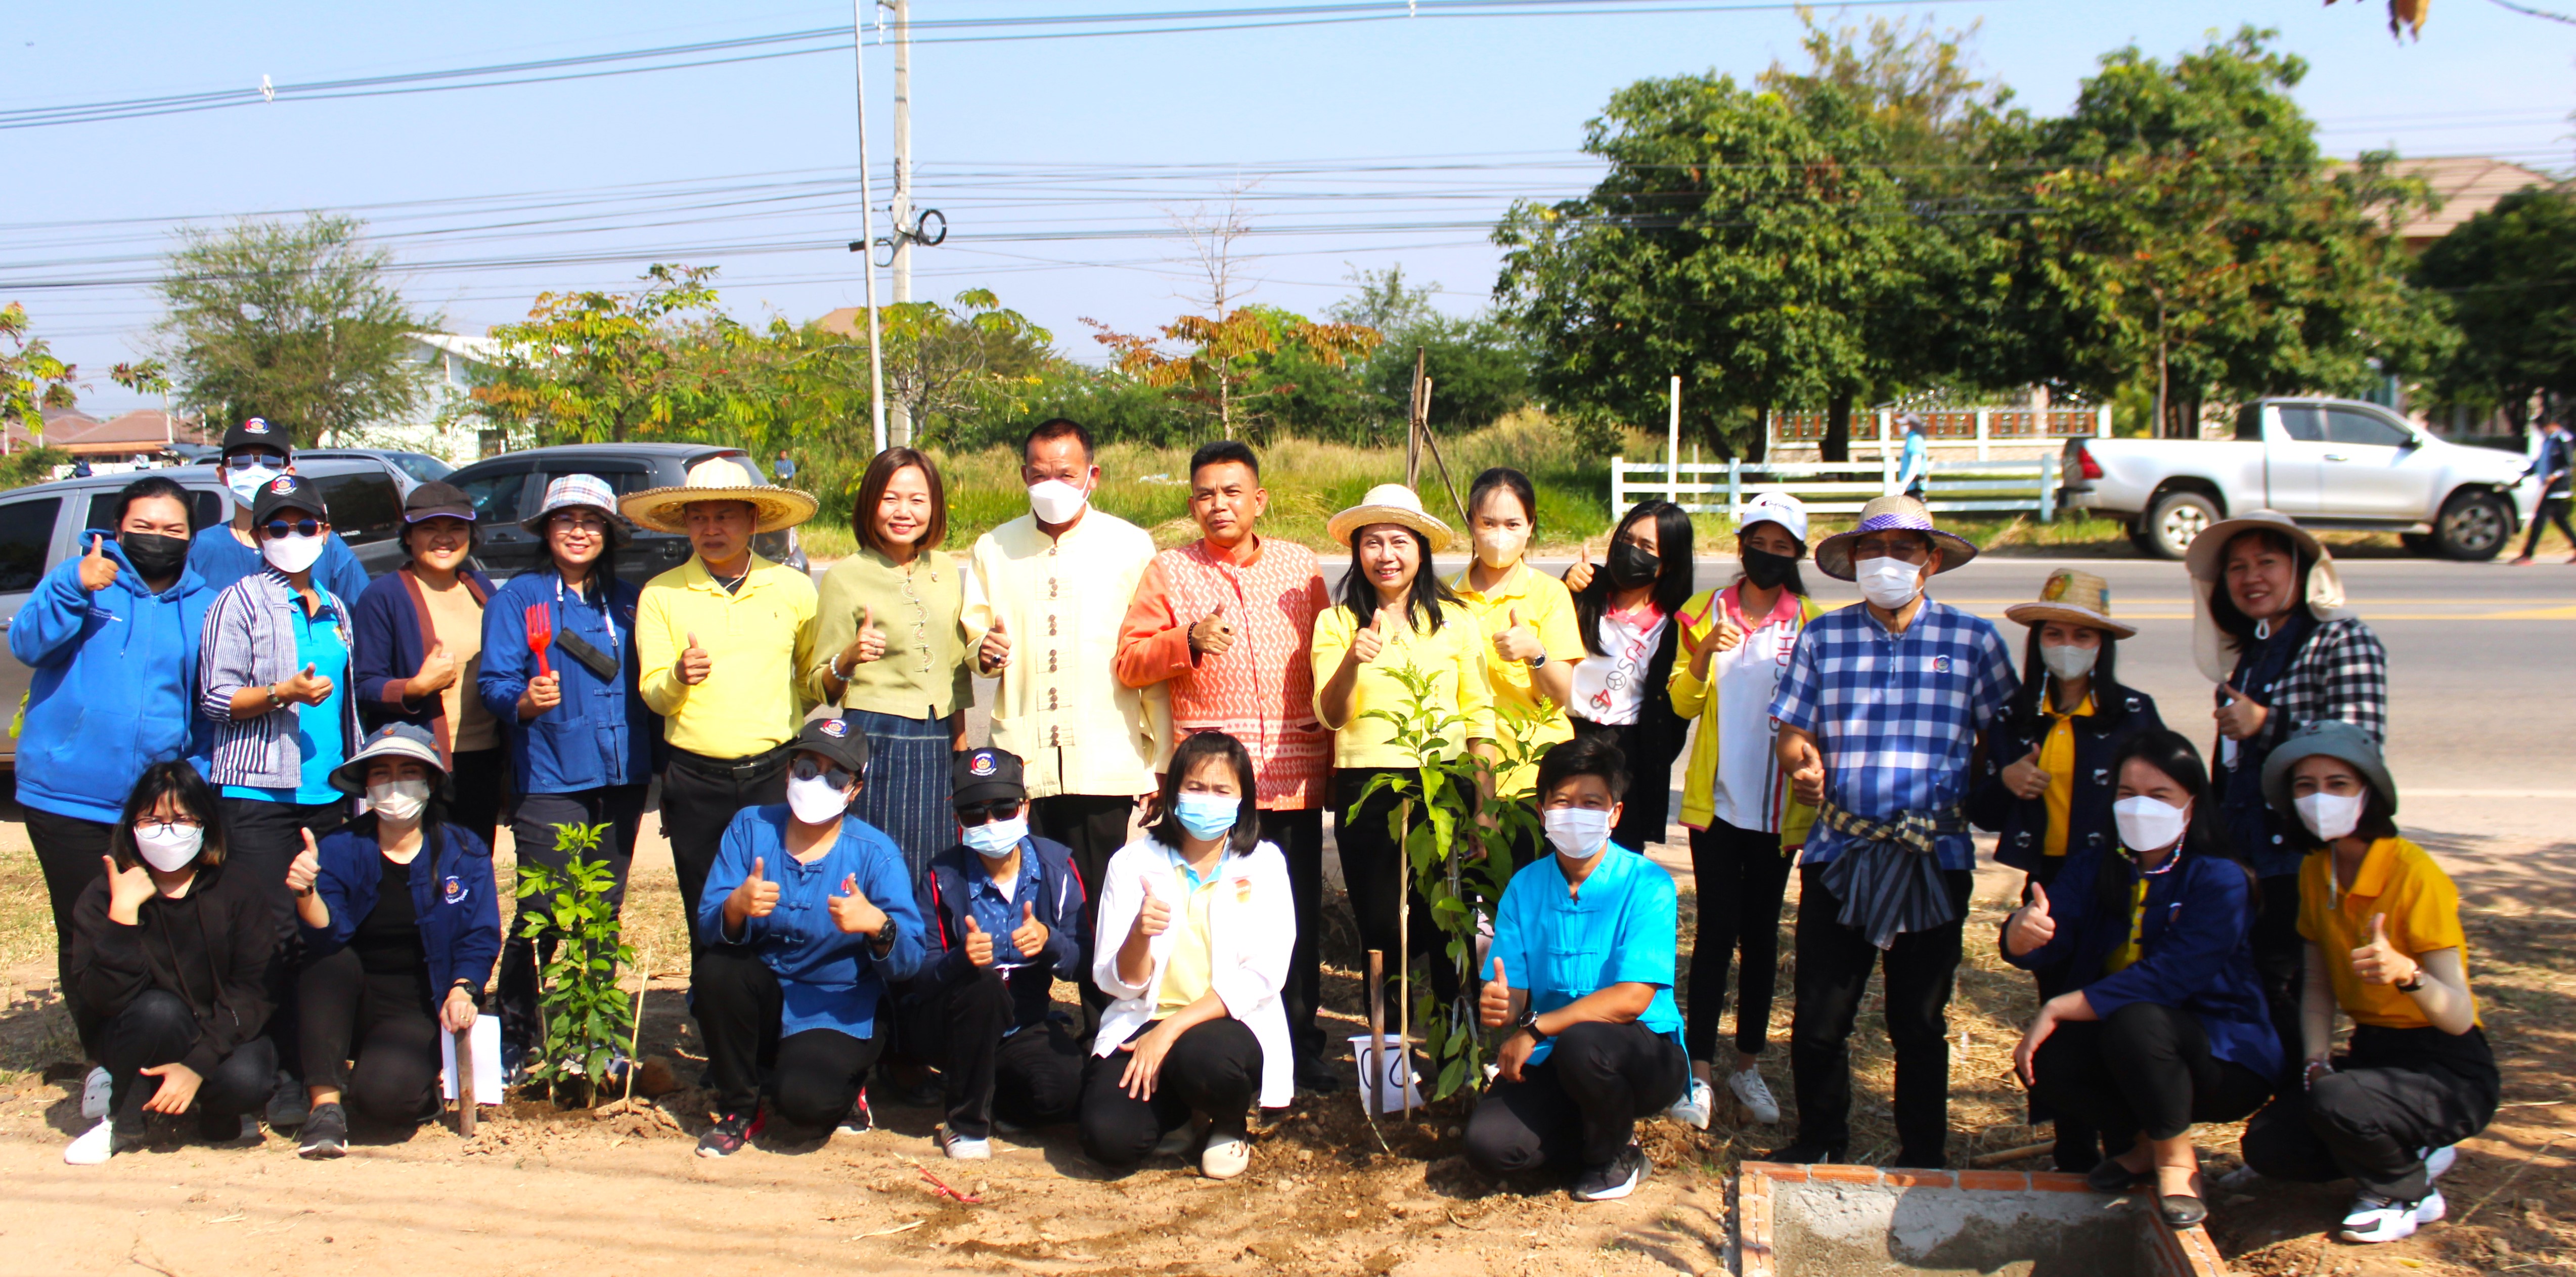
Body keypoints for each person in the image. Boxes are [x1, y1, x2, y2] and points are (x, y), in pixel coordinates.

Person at [1764, 494, 2018, 1168]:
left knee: (1918, 1019)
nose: (1886, 563)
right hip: (1840, 848)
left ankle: (1922, 1153)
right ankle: (1820, 1139)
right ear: (1852, 562)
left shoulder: (1973, 641)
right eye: (1872, 551)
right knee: (1820, 1017)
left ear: (1930, 561)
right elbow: (1791, 730)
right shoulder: (1824, 637)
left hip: (1931, 853)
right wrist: (1802, 766)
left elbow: (2002, 735)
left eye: (1903, 550)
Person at [1114, 439, 1337, 1092]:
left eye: (1232, 491)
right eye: (1206, 494)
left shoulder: (1300, 567)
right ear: (1192, 504)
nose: (1219, 505)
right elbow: (1130, 660)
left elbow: (1327, 652)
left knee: (1294, 914)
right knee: (1215, 915)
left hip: (1292, 770)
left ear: (1259, 499)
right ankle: (1223, 1039)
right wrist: (1186, 640)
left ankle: (1302, 1041)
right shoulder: (1171, 570)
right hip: (1216, 787)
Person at [2003, 730, 2278, 1227]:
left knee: (2138, 1021)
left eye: (2159, 795)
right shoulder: (2096, 865)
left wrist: (2059, 1005)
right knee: (2052, 1062)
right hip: (2130, 1047)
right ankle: (2143, 1145)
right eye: (2127, 794)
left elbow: (2170, 976)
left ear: (2192, 806)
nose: (2139, 807)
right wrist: (2022, 934)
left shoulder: (2220, 877)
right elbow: (2051, 929)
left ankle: (2176, 1161)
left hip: (2223, 1056)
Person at [2240, 722, 2495, 1246]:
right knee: (2269, 1146)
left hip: (2447, 1063)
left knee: (2340, 1100)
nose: (2320, 797)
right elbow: (2317, 986)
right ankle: (2411, 1141)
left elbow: (2458, 1014)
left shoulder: (2415, 874)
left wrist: (2408, 974)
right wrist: (2315, 1059)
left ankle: (2404, 1191)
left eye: (2338, 783)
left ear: (2370, 794)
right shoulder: (2317, 869)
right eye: (2305, 785)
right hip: (2375, 1051)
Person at [12, 475, 212, 1100]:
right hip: (66, 792)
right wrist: (74, 587)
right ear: (119, 527)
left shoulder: (204, 602)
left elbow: (206, 704)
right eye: (144, 527)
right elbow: (26, 643)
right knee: (88, 929)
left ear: (191, 536)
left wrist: (196, 782)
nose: (158, 538)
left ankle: (154, 1054)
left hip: (153, 808)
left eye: (173, 529)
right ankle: (103, 1061)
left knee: (157, 926)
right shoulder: (84, 578)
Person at [965, 418, 1170, 1010]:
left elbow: (1148, 654)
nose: (1050, 483)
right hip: (1022, 757)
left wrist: (1161, 757)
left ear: (1091, 477)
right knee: (1022, 891)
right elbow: (975, 638)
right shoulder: (993, 547)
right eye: (1038, 474)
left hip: (1105, 757)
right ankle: (1026, 1022)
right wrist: (984, 650)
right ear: (1023, 475)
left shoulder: (1131, 545)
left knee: (1101, 896)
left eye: (1065, 473)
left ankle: (1106, 1020)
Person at [1966, 568, 2167, 1169]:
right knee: (2055, 1001)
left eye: (2082, 635)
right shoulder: (2016, 714)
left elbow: (2161, 794)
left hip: (2116, 875)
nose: (2067, 645)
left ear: (2102, 645)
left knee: (2115, 997)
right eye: (2054, 632)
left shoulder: (2133, 713)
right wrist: (2004, 781)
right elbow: (1979, 806)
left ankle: (2131, 1139)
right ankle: (2073, 1146)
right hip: (2049, 881)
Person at [2187, 510, 2388, 1080]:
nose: (2253, 577)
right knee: (2269, 991)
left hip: (2310, 858)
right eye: (2238, 567)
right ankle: (2293, 1121)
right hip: (2255, 863)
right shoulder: (2248, 654)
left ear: (2301, 568)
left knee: (2306, 994)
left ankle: (2325, 1120)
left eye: (2267, 562)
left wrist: (2267, 723)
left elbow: (2360, 747)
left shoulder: (2342, 638)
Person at [198, 470, 364, 1129]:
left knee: (313, 933)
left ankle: (305, 1070)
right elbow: (215, 698)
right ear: (258, 534)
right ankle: (256, 1073)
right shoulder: (237, 602)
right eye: (277, 526)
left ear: (324, 532)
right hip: (258, 790)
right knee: (265, 935)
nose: (292, 537)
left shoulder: (336, 606)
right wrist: (279, 694)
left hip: (326, 792)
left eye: (304, 525)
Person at [623, 458, 821, 988]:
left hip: (775, 775)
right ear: (685, 523)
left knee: (783, 904)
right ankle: (722, 1041)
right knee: (709, 908)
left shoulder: (794, 589)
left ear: (754, 521)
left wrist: (842, 669)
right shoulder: (662, 594)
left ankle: (781, 1038)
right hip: (697, 780)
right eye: (699, 517)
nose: (712, 529)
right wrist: (680, 677)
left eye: (726, 516)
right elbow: (653, 695)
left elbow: (808, 681)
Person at [480, 476, 656, 1070]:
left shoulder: (630, 601)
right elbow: (495, 685)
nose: (579, 531)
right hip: (552, 774)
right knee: (546, 908)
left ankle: (595, 1030)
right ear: (546, 530)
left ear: (610, 533)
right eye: (566, 519)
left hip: (623, 773)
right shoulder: (519, 599)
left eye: (592, 521)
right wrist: (526, 699)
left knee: (602, 908)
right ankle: (516, 1031)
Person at [691, 718, 928, 1156]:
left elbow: (911, 957)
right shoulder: (750, 827)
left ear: (854, 790)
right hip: (763, 994)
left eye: (835, 776)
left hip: (835, 1005)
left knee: (806, 1105)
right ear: (787, 771)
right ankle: (741, 1106)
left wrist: (878, 924)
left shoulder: (875, 852)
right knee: (716, 971)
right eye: (806, 768)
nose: (817, 781)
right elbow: (708, 921)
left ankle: (849, 1086)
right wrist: (735, 906)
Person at [1467, 735, 1688, 1202]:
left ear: (1615, 813)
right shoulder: (1524, 888)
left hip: (1640, 1054)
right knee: (1489, 1146)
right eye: (1563, 801)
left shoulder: (1647, 884)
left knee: (1584, 1042)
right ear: (1543, 812)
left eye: (1592, 802)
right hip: (1555, 1055)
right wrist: (1501, 1005)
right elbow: (1514, 998)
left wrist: (1535, 1028)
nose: (1576, 811)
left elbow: (1633, 998)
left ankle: (1615, 1154)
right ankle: (1595, 1132)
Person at [1665, 492, 1820, 1131]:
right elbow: (1680, 703)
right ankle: (1698, 1070)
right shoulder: (1703, 611)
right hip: (1720, 807)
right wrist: (1703, 652)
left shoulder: (1812, 620)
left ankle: (1747, 1064)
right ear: (1742, 545)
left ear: (1796, 556)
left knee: (1761, 940)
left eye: (1784, 547)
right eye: (1762, 542)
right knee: (1714, 935)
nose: (1770, 554)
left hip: (1781, 811)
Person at [1313, 483, 1495, 1014]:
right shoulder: (1338, 621)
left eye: (1398, 541)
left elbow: (1479, 714)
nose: (1386, 555)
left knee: (1446, 917)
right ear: (1357, 551)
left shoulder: (1457, 619)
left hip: (1442, 785)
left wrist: (1483, 804)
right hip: (1366, 787)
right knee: (1379, 924)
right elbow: (1331, 713)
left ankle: (1452, 1051)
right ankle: (1387, 1051)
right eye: (1373, 542)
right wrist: (1352, 660)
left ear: (1421, 548)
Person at [1080, 730, 1294, 1179]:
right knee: (1110, 1137)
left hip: (1226, 1024)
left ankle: (1227, 1118)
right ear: (1174, 791)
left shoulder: (1264, 863)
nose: (1207, 799)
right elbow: (1115, 981)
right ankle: (1181, 1113)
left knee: (1205, 1060)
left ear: (1242, 799)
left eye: (1222, 790)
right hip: (1144, 1018)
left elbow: (1264, 974)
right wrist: (1139, 934)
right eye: (1195, 787)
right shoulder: (1132, 862)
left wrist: (1171, 1029)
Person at [282, 725, 500, 1157]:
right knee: (328, 961)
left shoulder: (464, 850)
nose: (394, 784)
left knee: (384, 1102)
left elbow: (480, 934)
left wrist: (464, 987)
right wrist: (306, 892)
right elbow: (329, 933)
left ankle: (409, 1081)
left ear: (431, 781)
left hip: (418, 1006)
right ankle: (324, 1107)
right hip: (349, 997)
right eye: (381, 773)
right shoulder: (342, 846)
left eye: (408, 771)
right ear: (365, 785)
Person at [62, 762, 275, 1164]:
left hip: (221, 1032)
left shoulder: (239, 887)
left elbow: (254, 989)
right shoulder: (103, 893)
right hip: (142, 1032)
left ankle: (215, 1115)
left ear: (206, 824)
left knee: (248, 1080)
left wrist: (197, 1065)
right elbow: (103, 999)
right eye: (153, 820)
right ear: (132, 826)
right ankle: (121, 1122)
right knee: (158, 1011)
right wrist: (123, 915)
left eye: (181, 819)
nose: (167, 831)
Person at [902, 747, 1090, 1159]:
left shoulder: (1056, 868)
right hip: (951, 1024)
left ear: (1025, 807)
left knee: (1063, 1093)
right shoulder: (941, 875)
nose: (990, 823)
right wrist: (959, 960)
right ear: (958, 819)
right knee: (983, 986)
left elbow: (1086, 963)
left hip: (1023, 1023)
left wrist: (1050, 941)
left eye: (1003, 809)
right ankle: (965, 1123)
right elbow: (918, 975)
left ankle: (990, 1091)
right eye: (974, 813)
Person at [810, 448, 972, 885]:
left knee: (940, 862)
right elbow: (818, 685)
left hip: (939, 740)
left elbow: (955, 670)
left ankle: (930, 953)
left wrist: (960, 748)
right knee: (885, 865)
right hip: (877, 736)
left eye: (917, 500)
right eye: (889, 498)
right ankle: (884, 948)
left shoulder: (944, 569)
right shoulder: (845, 577)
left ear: (935, 505)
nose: (904, 512)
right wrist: (847, 657)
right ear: (870, 504)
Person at [349, 481, 503, 852]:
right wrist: (415, 687)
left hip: (485, 755)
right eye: (430, 528)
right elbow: (363, 685)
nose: (444, 539)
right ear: (409, 536)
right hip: (422, 760)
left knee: (474, 861)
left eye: (456, 528)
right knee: (426, 865)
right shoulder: (383, 596)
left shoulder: (481, 588)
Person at [1445, 466, 1583, 816]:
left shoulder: (1551, 594)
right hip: (1456, 771)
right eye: (1488, 523)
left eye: (1512, 524)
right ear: (1471, 525)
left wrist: (1535, 653)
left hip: (1529, 775)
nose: (1499, 535)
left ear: (1531, 527)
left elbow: (1559, 695)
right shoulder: (1442, 594)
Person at [1560, 500, 1695, 852]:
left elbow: (1673, 714)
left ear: (1669, 563)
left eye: (1648, 547)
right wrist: (1566, 588)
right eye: (1627, 538)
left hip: (1625, 753)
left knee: (1616, 857)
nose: (1632, 551)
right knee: (1556, 850)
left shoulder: (1674, 623)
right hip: (1567, 736)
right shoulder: (1587, 591)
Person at [187, 418, 370, 600]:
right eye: (241, 461)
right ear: (222, 475)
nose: (256, 469)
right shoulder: (198, 550)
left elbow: (364, 615)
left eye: (271, 461)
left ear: (289, 473)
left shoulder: (322, 543)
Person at [2509, 415, 2573, 565]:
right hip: (2548, 486)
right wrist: (2523, 477)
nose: (2543, 430)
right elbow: (2540, 463)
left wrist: (2554, 476)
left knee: (2539, 520)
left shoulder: (2562, 440)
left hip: (2557, 487)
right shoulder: (2548, 441)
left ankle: (2527, 555)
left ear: (2553, 425)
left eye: (2544, 427)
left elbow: (2568, 465)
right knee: (2560, 520)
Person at [1896, 413, 1930, 502]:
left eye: (1904, 425)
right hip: (1911, 487)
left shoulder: (1915, 440)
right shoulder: (1912, 439)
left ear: (1911, 425)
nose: (1901, 427)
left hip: (1913, 487)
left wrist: (1903, 486)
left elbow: (1915, 466)